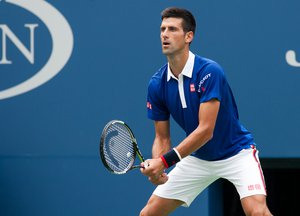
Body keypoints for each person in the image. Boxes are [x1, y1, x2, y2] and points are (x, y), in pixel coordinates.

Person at [139, 7, 272, 216]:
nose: (165, 34)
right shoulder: (157, 84)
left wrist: (164, 161)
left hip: (237, 153)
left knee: (257, 212)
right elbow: (162, 137)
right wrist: (159, 166)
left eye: (172, 29)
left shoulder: (209, 72)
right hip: (199, 158)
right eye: (162, 29)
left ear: (188, 36)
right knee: (149, 213)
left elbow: (206, 131)